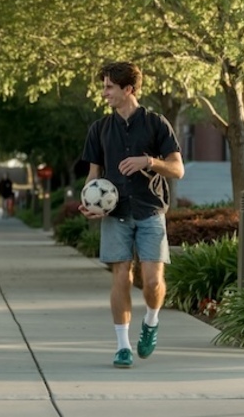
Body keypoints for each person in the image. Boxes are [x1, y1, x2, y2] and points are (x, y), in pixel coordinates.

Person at [79, 61, 184, 369]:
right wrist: (89, 202)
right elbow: (93, 175)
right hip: (116, 215)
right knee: (121, 277)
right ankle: (122, 346)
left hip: (150, 210)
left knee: (152, 282)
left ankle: (151, 322)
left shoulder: (156, 124)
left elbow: (177, 168)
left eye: (109, 87)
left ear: (129, 89)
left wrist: (148, 161)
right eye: (104, 86)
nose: (104, 92)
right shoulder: (99, 129)